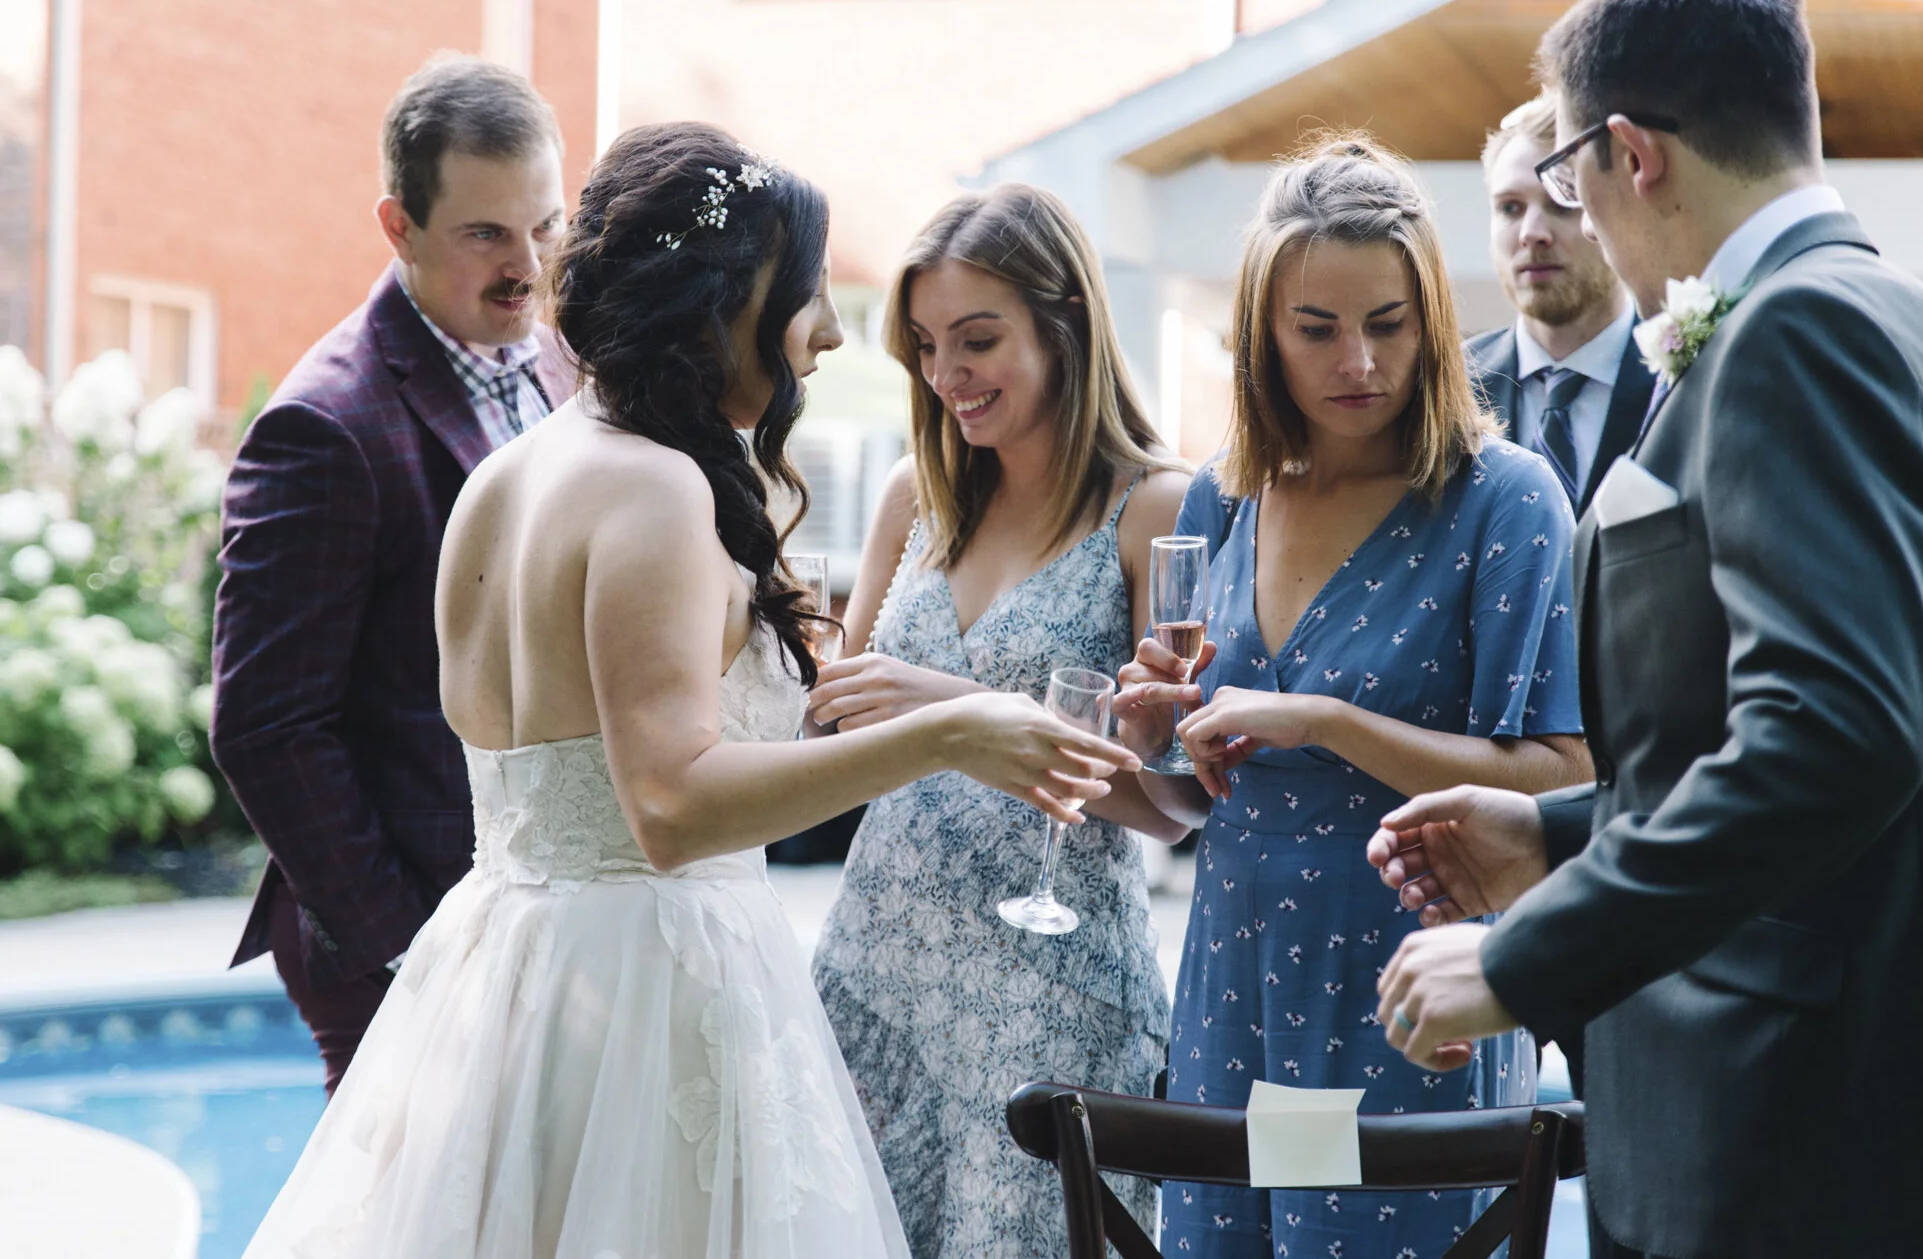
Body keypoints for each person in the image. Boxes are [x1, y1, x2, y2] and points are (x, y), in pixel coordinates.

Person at [242, 123, 1142, 1257]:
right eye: (807, 295)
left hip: (501, 973)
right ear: (725, 305)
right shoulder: (655, 489)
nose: (826, 334)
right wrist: (950, 733)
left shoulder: (510, 474)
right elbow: (669, 805)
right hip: (645, 997)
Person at [1369, 0, 1923, 1259]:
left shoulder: (1800, 333)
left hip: (1792, 1123)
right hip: (1837, 1101)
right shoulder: (1911, 319)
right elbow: (1800, 728)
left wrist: (1527, 954)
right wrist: (1552, 833)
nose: (1578, 220)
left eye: (1571, 178)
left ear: (1632, 154)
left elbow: (1837, 733)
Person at [1114, 133, 1590, 1259]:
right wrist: (1161, 734)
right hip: (1233, 976)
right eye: (1315, 329)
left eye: (1387, 322)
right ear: (1261, 334)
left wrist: (1321, 721)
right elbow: (1189, 797)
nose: (1358, 362)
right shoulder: (1224, 497)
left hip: (1403, 983)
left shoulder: (1504, 499)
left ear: (1430, 317)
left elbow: (1560, 780)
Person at [807, 183, 1190, 1258]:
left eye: (977, 340)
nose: (947, 376)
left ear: (1064, 322)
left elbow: (1173, 805)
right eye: (927, 347)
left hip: (1047, 993)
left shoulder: (1156, 506)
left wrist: (957, 707)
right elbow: (839, 725)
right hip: (878, 972)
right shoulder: (914, 495)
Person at [211, 55, 575, 1094]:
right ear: (398, 227)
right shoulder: (324, 427)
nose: (526, 266)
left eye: (545, 226)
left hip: (543, 910)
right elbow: (267, 727)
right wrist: (409, 948)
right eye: (485, 234)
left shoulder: (560, 362)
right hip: (408, 938)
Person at [1467, 94, 1652, 515]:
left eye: (1561, 202)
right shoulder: (1447, 389)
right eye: (1510, 208)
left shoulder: (1686, 377)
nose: (1532, 233)